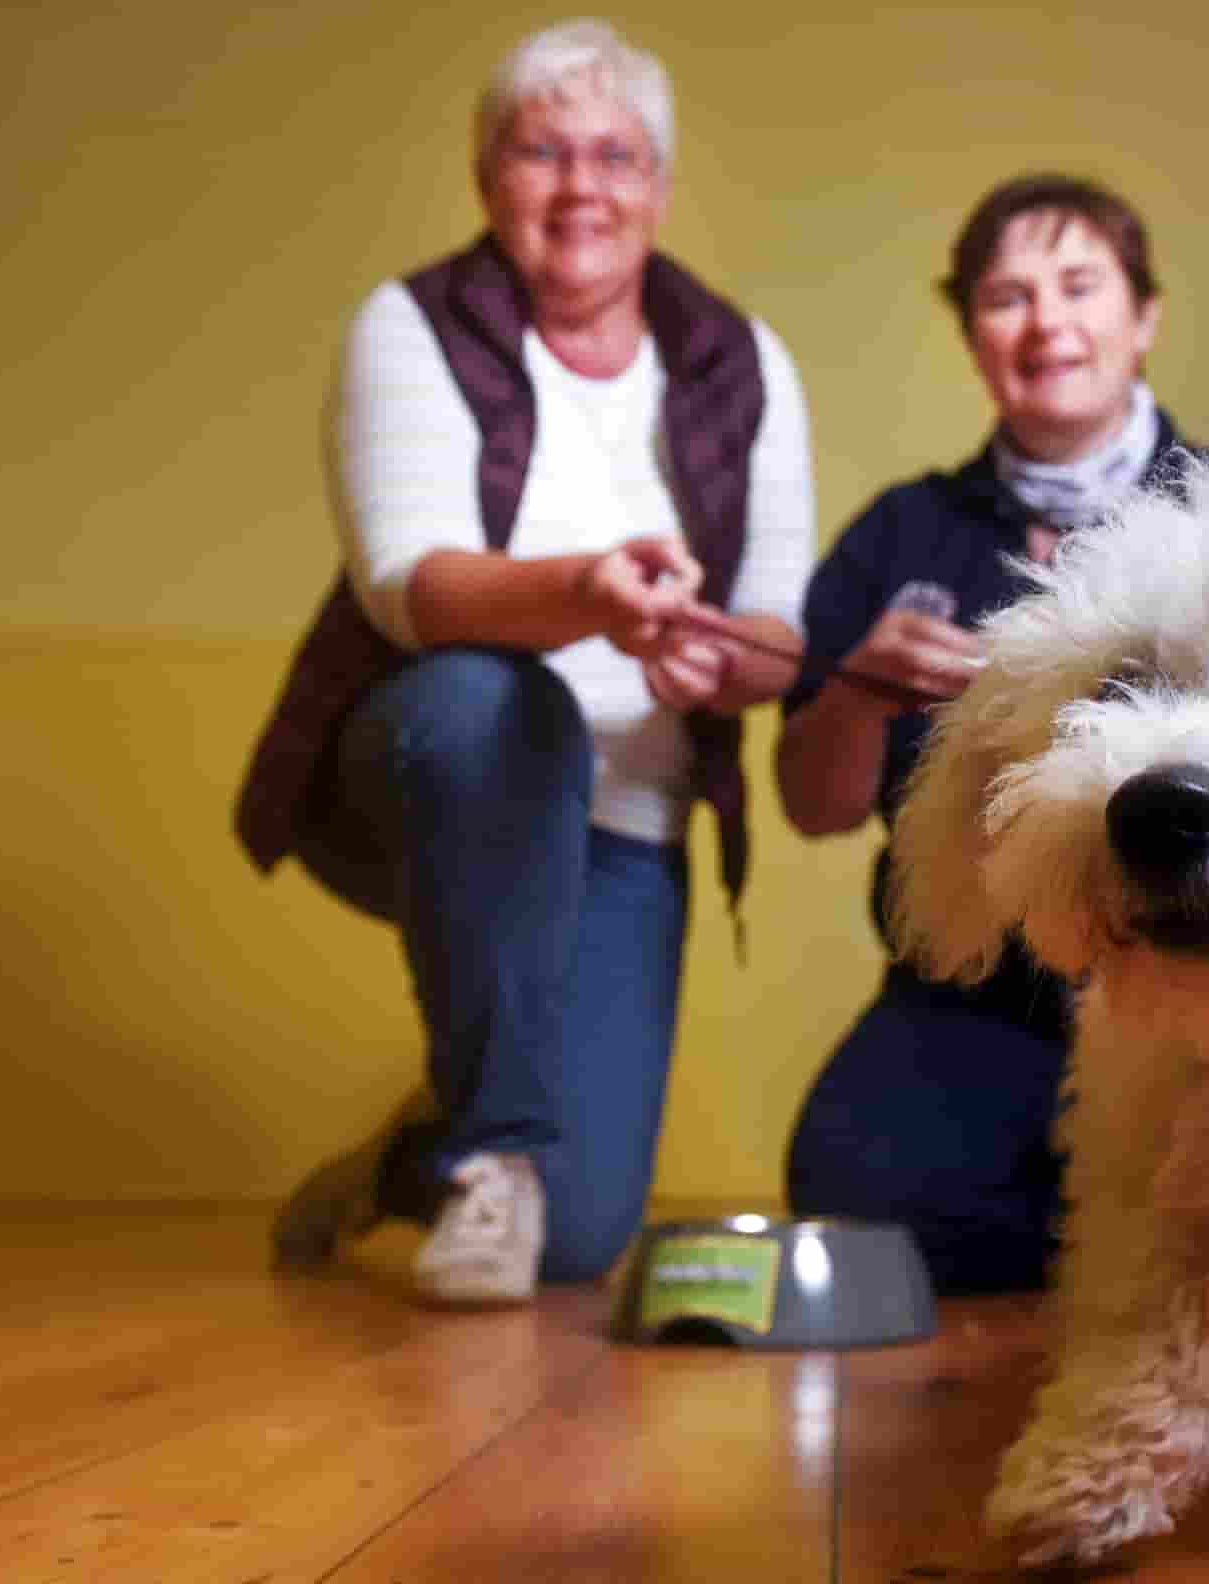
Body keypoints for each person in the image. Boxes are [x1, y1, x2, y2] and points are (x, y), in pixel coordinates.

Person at [236, 18, 814, 1303]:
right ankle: (492, 1143)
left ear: (658, 188)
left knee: (578, 1239)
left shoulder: (742, 362)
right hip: (440, 767)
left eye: (616, 155)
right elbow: (411, 585)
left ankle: (420, 1153)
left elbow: (779, 631)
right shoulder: (413, 326)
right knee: (507, 695)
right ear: (487, 172)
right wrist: (587, 597)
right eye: (543, 150)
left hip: (634, 815)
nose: (582, 187)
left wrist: (726, 666)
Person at [777, 173, 1208, 1294]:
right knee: (853, 1189)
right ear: (972, 333)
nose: (1048, 322)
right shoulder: (902, 529)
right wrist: (858, 694)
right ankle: (1146, 1244)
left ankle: (1175, 1238)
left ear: (1144, 315)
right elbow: (814, 807)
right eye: (1007, 297)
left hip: (1200, 975)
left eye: (1080, 286)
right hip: (972, 991)